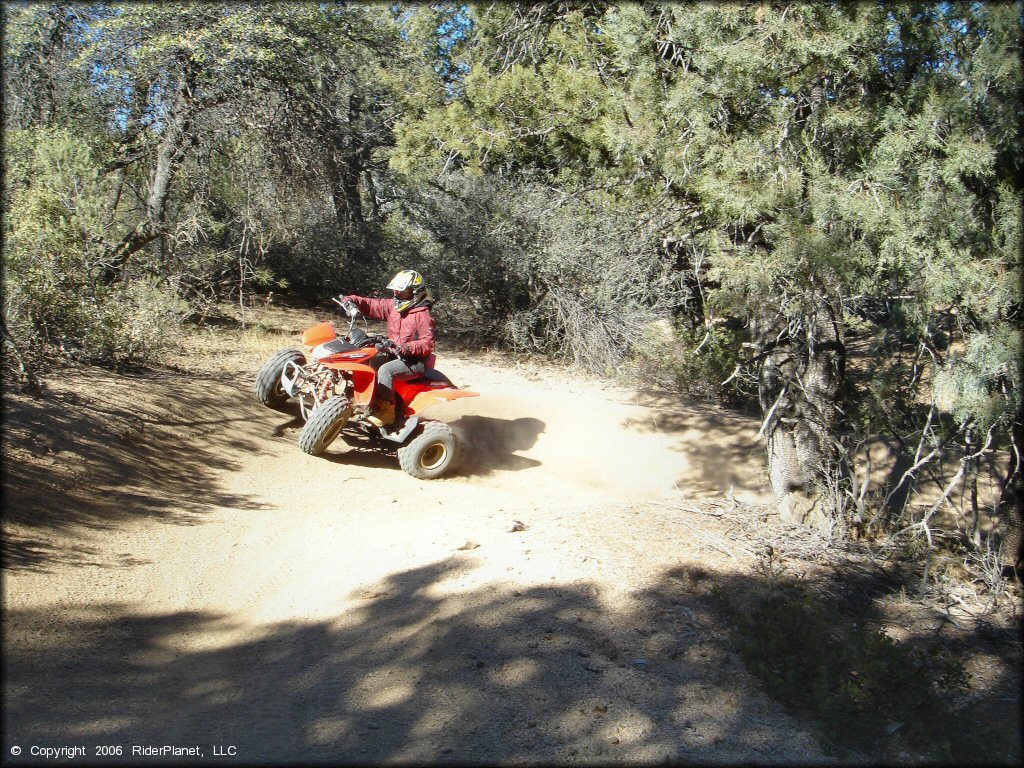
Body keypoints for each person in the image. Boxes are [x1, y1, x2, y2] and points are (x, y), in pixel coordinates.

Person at [342, 270, 436, 426]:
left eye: (403, 292)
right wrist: (351, 300)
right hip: (394, 352)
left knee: (386, 371)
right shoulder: (394, 306)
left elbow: (428, 343)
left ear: (415, 292)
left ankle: (386, 412)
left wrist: (405, 347)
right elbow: (372, 304)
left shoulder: (423, 314)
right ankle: (362, 400)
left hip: (414, 361)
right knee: (366, 360)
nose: (398, 295)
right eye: (396, 291)